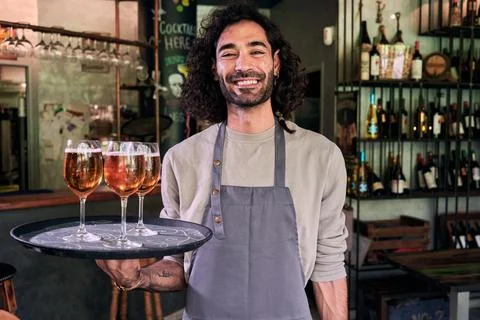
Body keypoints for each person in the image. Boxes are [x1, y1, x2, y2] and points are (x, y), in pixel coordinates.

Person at [96, 2, 348, 319]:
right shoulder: (181, 159)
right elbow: (178, 267)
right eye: (228, 53)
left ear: (276, 63)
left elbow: (328, 266)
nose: (243, 64)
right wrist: (138, 277)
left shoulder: (321, 156)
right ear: (215, 69)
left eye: (256, 51)